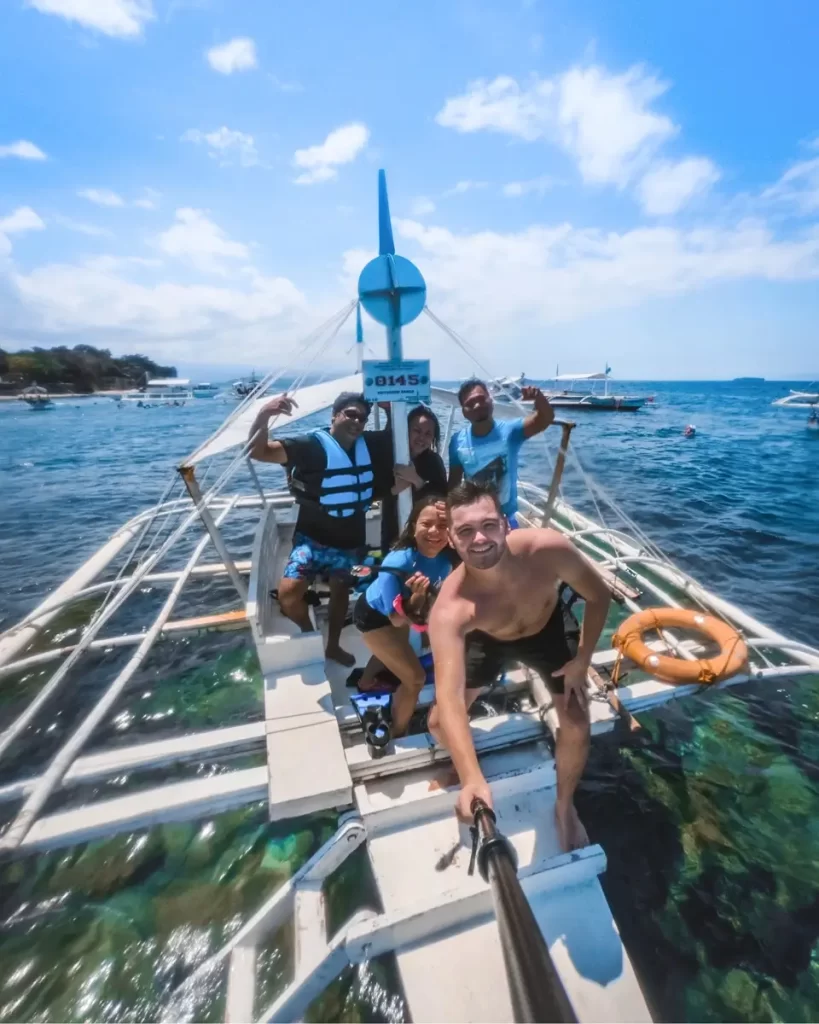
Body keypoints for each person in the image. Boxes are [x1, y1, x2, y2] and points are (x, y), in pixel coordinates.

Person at [428, 480, 611, 852]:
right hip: (489, 638)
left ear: (507, 524)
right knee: (436, 722)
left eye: (488, 525)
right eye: (465, 531)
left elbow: (599, 595)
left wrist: (581, 662)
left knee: (576, 720)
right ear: (451, 539)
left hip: (547, 629)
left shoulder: (548, 549)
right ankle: (465, 766)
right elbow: (447, 697)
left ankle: (563, 806)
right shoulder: (450, 608)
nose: (479, 539)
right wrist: (472, 778)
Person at [248, 390, 392, 666]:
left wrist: (387, 410)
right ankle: (308, 632)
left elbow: (395, 437)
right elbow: (259, 451)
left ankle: (333, 646)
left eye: (362, 418)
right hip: (311, 540)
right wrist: (265, 414)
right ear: (334, 415)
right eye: (350, 414)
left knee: (341, 593)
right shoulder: (309, 445)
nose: (357, 422)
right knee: (289, 594)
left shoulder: (367, 444)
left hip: (350, 540)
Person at [353, 496, 454, 736]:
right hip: (374, 618)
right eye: (426, 524)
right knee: (415, 679)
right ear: (412, 527)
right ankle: (398, 730)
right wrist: (417, 600)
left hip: (403, 612)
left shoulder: (447, 556)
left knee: (393, 648)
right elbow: (396, 620)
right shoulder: (398, 562)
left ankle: (366, 682)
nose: (434, 532)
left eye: (442, 526)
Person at [448, 377, 555, 527]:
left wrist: (538, 397)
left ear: (491, 400)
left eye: (481, 399)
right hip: (474, 518)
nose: (477, 405)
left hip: (506, 519)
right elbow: (453, 485)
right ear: (464, 412)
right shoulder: (456, 441)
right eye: (470, 404)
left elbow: (545, 418)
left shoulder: (511, 431)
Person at [380, 404, 447, 551]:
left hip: (423, 535)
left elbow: (442, 498)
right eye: (417, 431)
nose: (422, 438)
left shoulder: (434, 462)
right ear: (406, 430)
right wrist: (388, 411)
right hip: (392, 531)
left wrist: (417, 481)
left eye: (428, 434)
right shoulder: (391, 455)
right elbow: (386, 437)